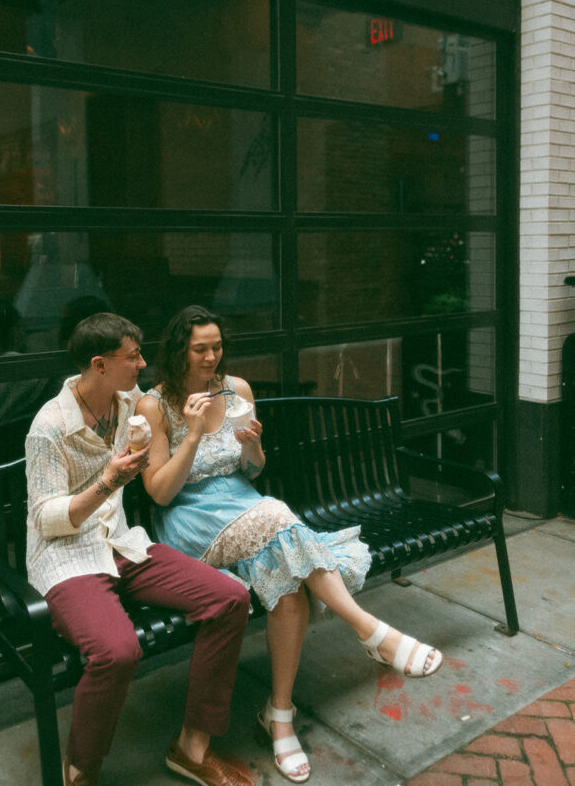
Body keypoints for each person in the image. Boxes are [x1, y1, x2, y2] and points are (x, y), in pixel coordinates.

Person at [137, 305, 443, 785]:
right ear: (178, 350)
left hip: (246, 508)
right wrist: (193, 435)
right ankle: (370, 631)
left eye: (217, 347)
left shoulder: (237, 391)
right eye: (201, 349)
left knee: (290, 588)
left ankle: (279, 717)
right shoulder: (154, 405)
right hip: (190, 519)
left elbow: (253, 472)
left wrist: (253, 447)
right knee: (279, 515)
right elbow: (159, 492)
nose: (212, 357)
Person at [25, 311, 256, 786]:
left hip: (123, 546)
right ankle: (80, 771)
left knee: (230, 598)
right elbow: (46, 519)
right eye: (133, 357)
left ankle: (192, 747)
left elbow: (172, 401)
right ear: (99, 364)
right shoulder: (49, 427)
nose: (143, 363)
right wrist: (108, 481)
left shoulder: (129, 401)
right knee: (118, 650)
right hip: (67, 557)